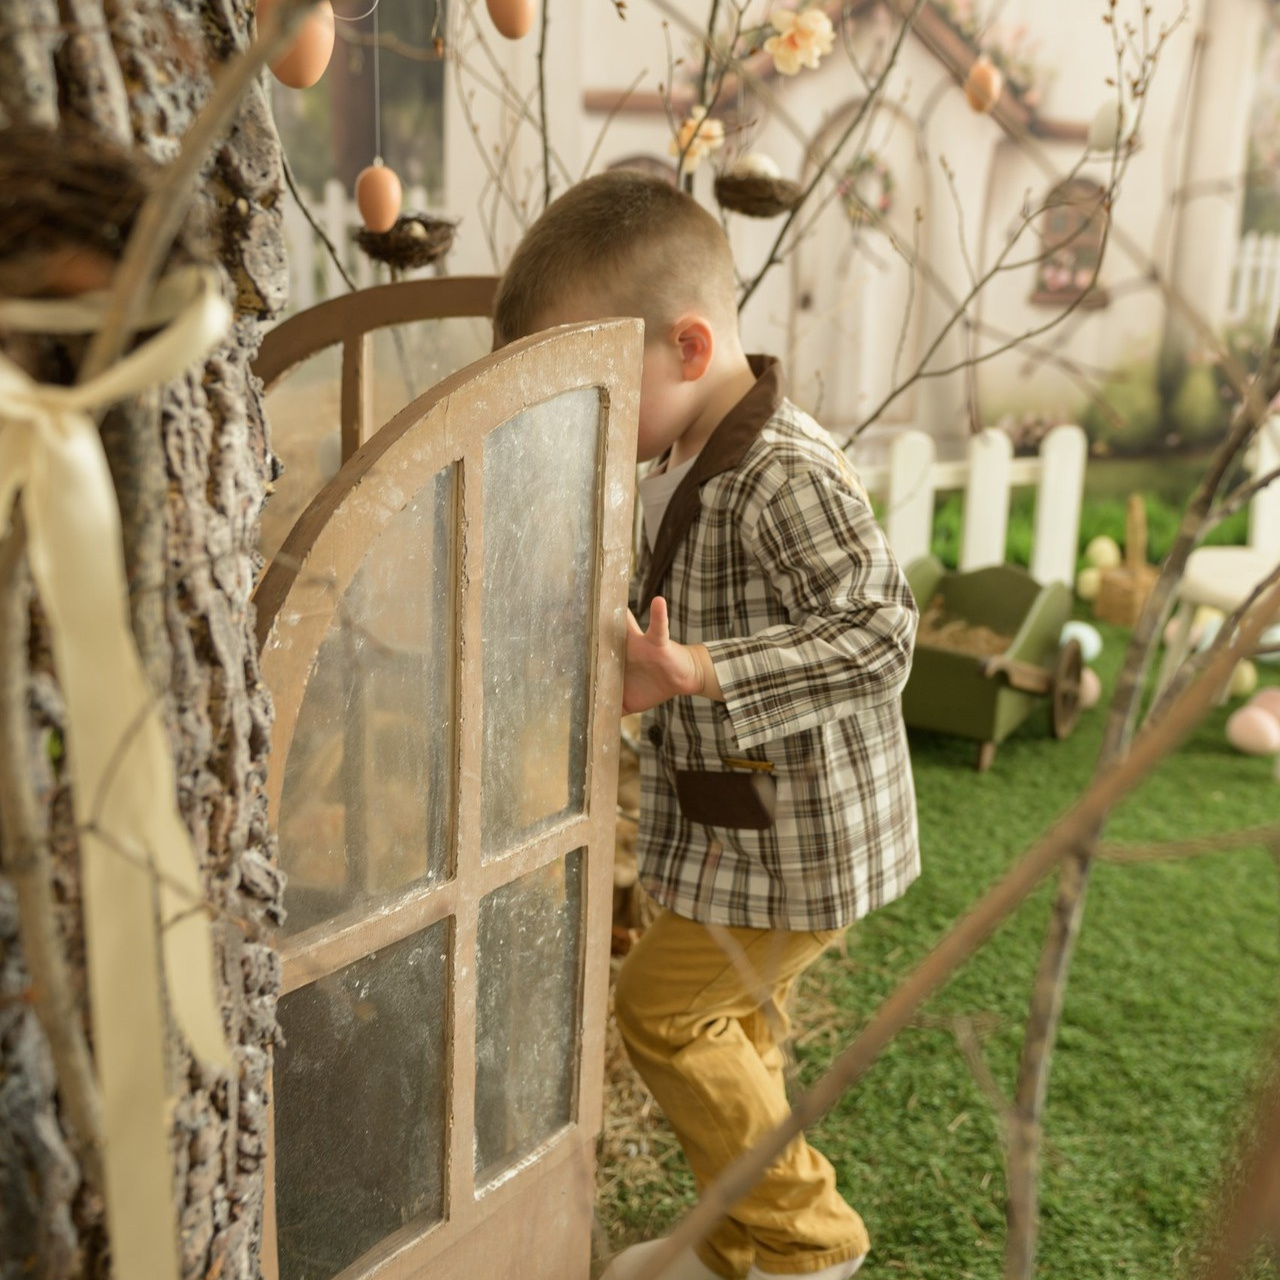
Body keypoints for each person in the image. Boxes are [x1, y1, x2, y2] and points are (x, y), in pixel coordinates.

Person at [492, 170, 920, 1280]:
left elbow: (881, 635)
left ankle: (800, 1242)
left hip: (800, 842)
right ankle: (737, 1238)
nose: (577, 420)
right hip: (741, 825)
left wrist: (702, 667)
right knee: (738, 1023)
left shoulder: (780, 473)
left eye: (592, 387)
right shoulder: (684, 444)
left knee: (665, 1011)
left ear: (686, 348)